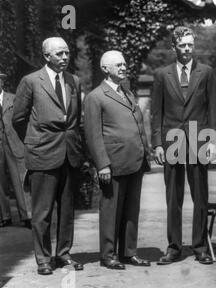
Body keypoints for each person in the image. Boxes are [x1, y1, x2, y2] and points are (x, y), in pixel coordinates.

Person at [12, 37, 84, 275]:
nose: (65, 57)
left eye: (67, 53)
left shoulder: (75, 81)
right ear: (46, 56)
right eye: (59, 54)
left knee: (66, 212)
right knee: (42, 213)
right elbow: (19, 119)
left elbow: (76, 119)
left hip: (69, 154)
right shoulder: (30, 82)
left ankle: (63, 255)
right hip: (42, 154)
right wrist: (36, 142)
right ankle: (43, 259)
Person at [151, 26, 216, 265]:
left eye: (190, 44)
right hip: (171, 141)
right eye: (182, 45)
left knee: (200, 197)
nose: (187, 49)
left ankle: (200, 247)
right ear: (174, 48)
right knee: (173, 197)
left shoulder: (207, 72)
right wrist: (158, 144)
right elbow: (156, 112)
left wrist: (212, 141)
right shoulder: (162, 75)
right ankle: (174, 248)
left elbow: (213, 110)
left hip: (198, 140)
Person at [84, 50, 151, 270]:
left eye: (124, 64)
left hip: (135, 161)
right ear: (105, 68)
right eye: (118, 65)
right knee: (111, 211)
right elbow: (93, 135)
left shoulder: (127, 92)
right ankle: (108, 254)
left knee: (132, 210)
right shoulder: (96, 96)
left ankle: (128, 252)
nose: (123, 67)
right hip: (112, 164)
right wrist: (102, 164)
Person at [0, 71, 32, 229]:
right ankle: (4, 217)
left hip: (15, 142)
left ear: (2, 82)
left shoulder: (13, 98)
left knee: (21, 178)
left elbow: (23, 118)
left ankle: (27, 215)